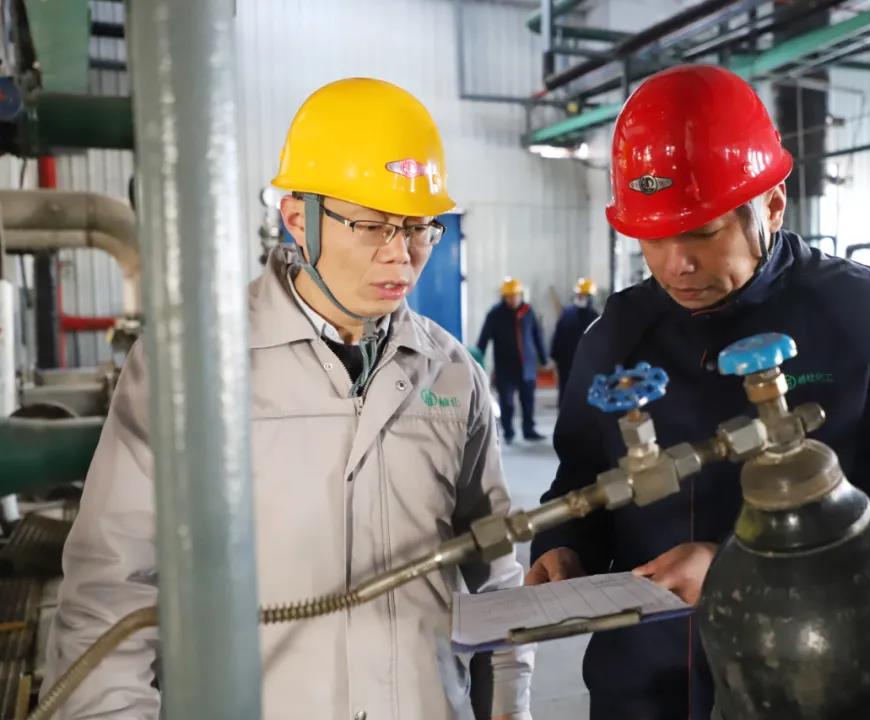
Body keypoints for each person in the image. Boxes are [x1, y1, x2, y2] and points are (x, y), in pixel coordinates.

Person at [44, 78, 533, 720]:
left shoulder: (451, 373)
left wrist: (509, 707)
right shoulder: (192, 366)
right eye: (372, 226)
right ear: (299, 219)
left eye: (418, 229)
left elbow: (494, 575)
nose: (401, 257)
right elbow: (112, 592)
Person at [526, 65, 870, 720]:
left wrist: (746, 572)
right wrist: (563, 548)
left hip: (818, 673)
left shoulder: (864, 319)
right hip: (647, 683)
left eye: (703, 232)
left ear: (772, 204)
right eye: (653, 236)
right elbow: (581, 479)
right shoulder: (616, 337)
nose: (676, 263)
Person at [477, 278, 547, 443]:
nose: (513, 299)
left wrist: (543, 358)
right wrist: (478, 358)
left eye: (515, 295)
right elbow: (484, 338)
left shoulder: (528, 311)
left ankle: (529, 430)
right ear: (504, 297)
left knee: (528, 400)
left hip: (526, 366)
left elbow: (537, 336)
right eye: (509, 296)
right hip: (505, 367)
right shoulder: (495, 314)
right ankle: (508, 431)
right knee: (506, 402)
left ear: (520, 295)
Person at [550, 277, 599, 404]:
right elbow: (558, 336)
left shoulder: (595, 317)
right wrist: (555, 358)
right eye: (579, 295)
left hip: (587, 365)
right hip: (566, 363)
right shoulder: (567, 314)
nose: (581, 297)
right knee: (566, 395)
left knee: (584, 396)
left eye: (584, 295)